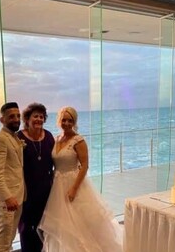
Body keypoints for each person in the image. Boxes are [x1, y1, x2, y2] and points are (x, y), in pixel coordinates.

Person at [38, 106, 123, 252]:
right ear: (59, 121)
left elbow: (84, 166)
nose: (66, 123)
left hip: (74, 183)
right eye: (64, 120)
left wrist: (74, 189)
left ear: (74, 122)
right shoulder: (56, 139)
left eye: (70, 120)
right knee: (63, 224)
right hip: (57, 185)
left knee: (80, 223)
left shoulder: (79, 140)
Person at [17, 103, 55, 252]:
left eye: (41, 116)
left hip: (47, 188)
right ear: (27, 119)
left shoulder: (49, 136)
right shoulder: (19, 137)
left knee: (46, 225)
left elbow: (56, 160)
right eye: (35, 116)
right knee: (26, 228)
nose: (38, 119)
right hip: (27, 190)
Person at [0, 102, 25, 252]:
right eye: (11, 117)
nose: (16, 119)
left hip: (17, 197)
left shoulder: (13, 136)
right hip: (7, 201)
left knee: (9, 240)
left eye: (18, 116)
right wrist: (7, 197)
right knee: (3, 243)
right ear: (2, 120)